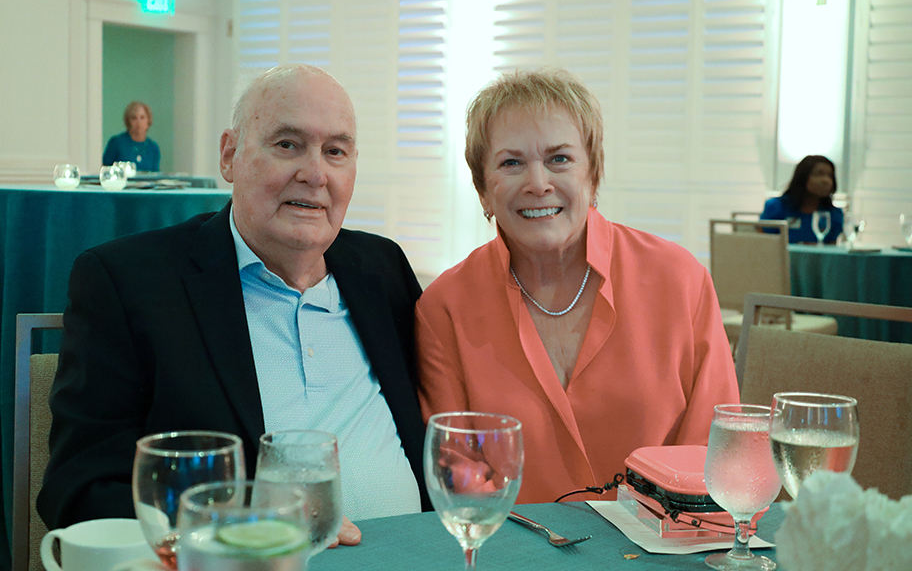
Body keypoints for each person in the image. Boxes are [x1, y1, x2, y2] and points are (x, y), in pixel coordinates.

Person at [39, 65, 429, 544]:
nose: (315, 174)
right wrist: (232, 529)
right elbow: (79, 489)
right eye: (287, 144)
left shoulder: (383, 270)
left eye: (335, 152)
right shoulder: (128, 282)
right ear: (229, 156)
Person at [415, 69, 739, 504]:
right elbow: (461, 478)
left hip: (667, 538)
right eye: (511, 163)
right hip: (515, 541)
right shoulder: (445, 307)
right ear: (483, 191)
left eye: (559, 159)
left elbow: (717, 452)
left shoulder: (680, 281)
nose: (538, 183)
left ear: (594, 175)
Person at [760, 155, 843, 244]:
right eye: (819, 174)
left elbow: (831, 249)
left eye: (830, 176)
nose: (826, 180)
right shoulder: (776, 207)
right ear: (803, 178)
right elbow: (763, 242)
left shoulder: (834, 214)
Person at [102, 100, 161, 172]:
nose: (139, 122)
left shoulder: (153, 148)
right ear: (128, 121)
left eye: (142, 118)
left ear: (148, 121)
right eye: (134, 118)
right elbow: (106, 171)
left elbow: (155, 174)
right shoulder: (117, 143)